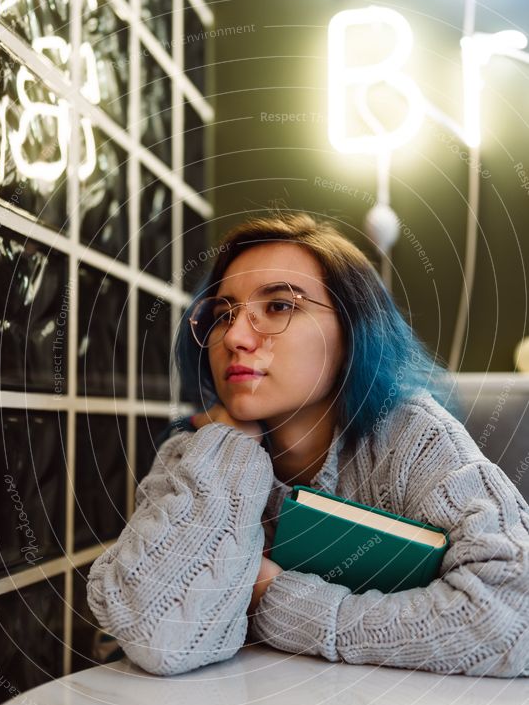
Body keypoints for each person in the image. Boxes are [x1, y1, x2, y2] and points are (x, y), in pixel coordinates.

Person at [87, 212, 529, 678]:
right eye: (223, 314)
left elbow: (514, 615)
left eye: (279, 306)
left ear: (354, 330)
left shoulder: (410, 436)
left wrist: (278, 604)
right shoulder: (194, 452)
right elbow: (157, 638)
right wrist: (231, 447)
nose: (235, 337)